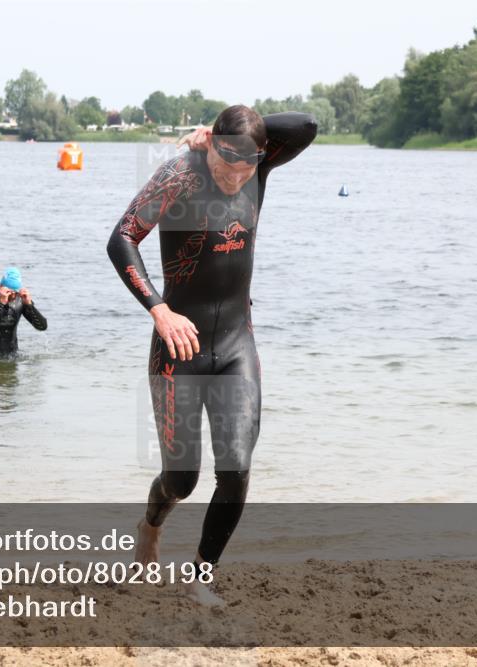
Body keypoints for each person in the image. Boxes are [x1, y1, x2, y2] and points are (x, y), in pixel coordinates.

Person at [106, 105, 317, 606]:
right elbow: (122, 239)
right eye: (227, 163)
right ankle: (151, 523)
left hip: (236, 344)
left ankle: (201, 574)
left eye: (247, 165)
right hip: (178, 345)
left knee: (237, 468)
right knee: (182, 477)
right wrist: (159, 310)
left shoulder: (259, 164)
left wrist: (243, 131)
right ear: (211, 147)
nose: (235, 175)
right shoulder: (181, 173)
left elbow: (306, 125)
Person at [0, 267, 47, 357]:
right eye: (8, 291)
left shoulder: (20, 300)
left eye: (15, 292)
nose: (11, 296)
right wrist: (0, 304)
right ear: (0, 286)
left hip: (12, 357)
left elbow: (42, 327)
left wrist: (29, 305)